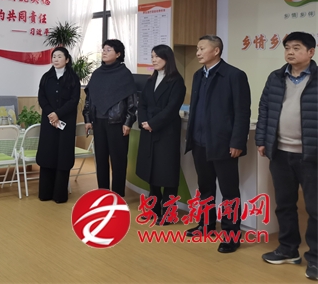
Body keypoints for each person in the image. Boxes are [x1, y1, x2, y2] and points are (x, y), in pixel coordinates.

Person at [255, 32, 317, 281]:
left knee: (315, 208)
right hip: (280, 152)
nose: (290, 52)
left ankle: (316, 258)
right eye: (287, 47)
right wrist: (262, 140)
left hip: (312, 155)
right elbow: (265, 108)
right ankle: (288, 249)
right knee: (285, 204)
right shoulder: (276, 77)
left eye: (297, 47)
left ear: (311, 52)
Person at [184, 35, 251, 254]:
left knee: (229, 192)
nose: (198, 52)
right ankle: (206, 225)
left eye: (202, 48)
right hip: (199, 142)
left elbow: (242, 112)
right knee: (205, 188)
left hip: (223, 143)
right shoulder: (198, 75)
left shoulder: (234, 75)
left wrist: (237, 141)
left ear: (216, 51)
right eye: (197, 48)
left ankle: (231, 235)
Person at [136, 45, 186, 225]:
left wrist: (153, 123)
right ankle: (153, 210)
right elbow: (142, 104)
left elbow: (171, 109)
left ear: (167, 58)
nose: (154, 60)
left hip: (166, 132)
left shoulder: (177, 81)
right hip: (148, 130)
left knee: (167, 174)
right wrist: (144, 122)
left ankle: (169, 213)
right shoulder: (151, 80)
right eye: (152, 56)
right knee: (152, 172)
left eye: (157, 56)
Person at [83, 39, 137, 196]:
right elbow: (89, 99)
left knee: (118, 160)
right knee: (101, 160)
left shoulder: (124, 74)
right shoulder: (97, 73)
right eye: (103, 49)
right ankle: (103, 193)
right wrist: (87, 119)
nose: (104, 52)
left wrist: (128, 122)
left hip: (117, 123)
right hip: (98, 122)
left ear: (118, 54)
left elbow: (132, 102)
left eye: (108, 50)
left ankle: (118, 195)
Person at [36, 47, 81, 203]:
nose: (55, 59)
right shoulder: (46, 77)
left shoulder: (73, 78)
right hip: (49, 122)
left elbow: (74, 100)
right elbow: (42, 98)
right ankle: (45, 193)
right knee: (47, 154)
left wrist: (58, 114)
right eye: (54, 56)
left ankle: (60, 195)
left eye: (59, 56)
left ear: (67, 59)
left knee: (63, 156)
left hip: (65, 122)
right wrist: (51, 113)